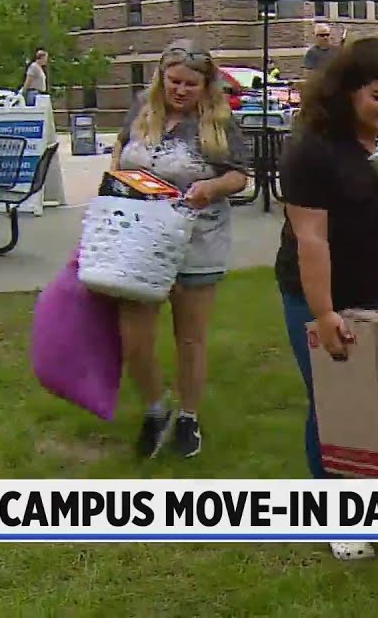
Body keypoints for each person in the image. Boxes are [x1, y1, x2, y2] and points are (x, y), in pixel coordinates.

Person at [276, 36, 378, 562]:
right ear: (347, 92)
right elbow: (310, 240)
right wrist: (323, 314)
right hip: (316, 292)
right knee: (334, 401)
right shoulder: (312, 152)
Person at [111, 39, 250, 459]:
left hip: (197, 240)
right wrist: (115, 182)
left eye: (191, 84)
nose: (181, 90)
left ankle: (188, 416)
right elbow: (120, 151)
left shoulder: (219, 122)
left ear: (205, 86)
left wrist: (213, 186)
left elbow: (240, 176)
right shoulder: (142, 109)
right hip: (138, 238)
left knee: (189, 338)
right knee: (132, 337)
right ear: (161, 78)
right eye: (174, 81)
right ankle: (156, 408)